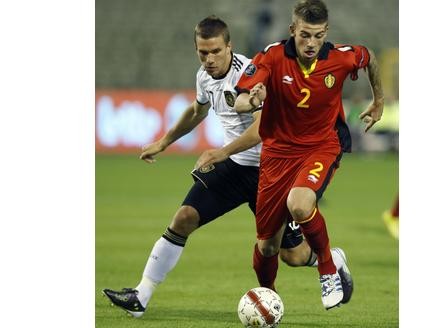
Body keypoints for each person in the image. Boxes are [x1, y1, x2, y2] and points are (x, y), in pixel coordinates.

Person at [103, 15, 353, 318]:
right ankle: (140, 296)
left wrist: (220, 152)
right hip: (235, 168)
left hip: (272, 171)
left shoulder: (253, 73)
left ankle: (332, 259)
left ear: (229, 47)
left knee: (294, 256)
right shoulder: (204, 77)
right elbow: (197, 111)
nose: (209, 59)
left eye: (215, 52)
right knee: (184, 218)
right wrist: (164, 142)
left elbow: (261, 128)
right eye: (203, 52)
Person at [233, 0, 384, 310]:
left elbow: (369, 58)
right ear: (293, 30)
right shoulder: (272, 56)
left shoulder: (341, 58)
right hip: (277, 154)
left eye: (317, 35)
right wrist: (253, 100)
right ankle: (268, 299)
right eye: (304, 35)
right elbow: (241, 99)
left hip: (321, 145)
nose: (311, 43)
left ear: (325, 32)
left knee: (300, 203)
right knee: (270, 246)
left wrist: (378, 100)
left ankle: (328, 270)